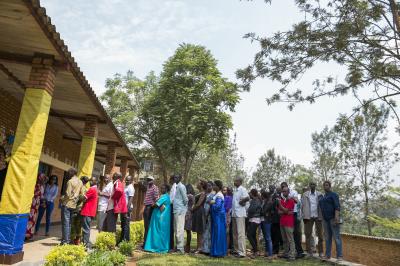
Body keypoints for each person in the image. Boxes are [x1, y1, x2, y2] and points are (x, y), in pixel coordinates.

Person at [144, 184, 172, 253]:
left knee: (158, 232)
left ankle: (157, 247)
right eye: (161, 188)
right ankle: (158, 247)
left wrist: (152, 204)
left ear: (166, 190)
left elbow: (156, 204)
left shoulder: (165, 196)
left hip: (161, 217)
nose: (161, 190)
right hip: (161, 217)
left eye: (163, 188)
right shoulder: (166, 196)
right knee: (160, 232)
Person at [319, 180, 343, 261]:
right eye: (324, 185)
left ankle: (339, 256)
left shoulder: (334, 195)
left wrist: (336, 218)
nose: (325, 186)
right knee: (327, 238)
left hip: (333, 218)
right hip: (325, 220)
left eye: (327, 185)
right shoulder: (323, 196)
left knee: (337, 238)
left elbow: (337, 206)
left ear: (330, 186)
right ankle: (327, 255)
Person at [281, 182, 304, 258]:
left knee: (296, 234)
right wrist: (284, 210)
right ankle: (288, 252)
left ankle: (298, 252)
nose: (283, 190)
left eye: (285, 188)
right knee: (286, 237)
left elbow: (298, 202)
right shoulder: (282, 196)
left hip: (294, 214)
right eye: (282, 188)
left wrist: (291, 198)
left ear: (288, 188)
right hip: (285, 216)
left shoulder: (294, 193)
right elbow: (281, 209)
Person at [61, 168, 83, 245]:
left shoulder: (70, 181)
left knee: (65, 223)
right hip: (74, 205)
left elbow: (68, 193)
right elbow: (81, 193)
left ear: (71, 173)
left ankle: (65, 241)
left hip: (67, 204)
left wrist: (62, 198)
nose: (67, 174)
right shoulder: (80, 182)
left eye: (68, 172)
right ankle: (68, 239)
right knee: (69, 223)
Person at [301, 181, 324, 257]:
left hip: (318, 216)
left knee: (320, 235)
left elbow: (323, 206)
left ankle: (321, 252)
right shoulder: (305, 195)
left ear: (316, 185)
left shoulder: (320, 194)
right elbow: (302, 206)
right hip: (308, 216)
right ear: (309, 186)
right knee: (308, 234)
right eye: (311, 184)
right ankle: (309, 252)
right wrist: (303, 216)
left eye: (314, 184)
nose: (312, 185)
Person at [231, 177, 249, 258]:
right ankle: (236, 250)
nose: (234, 182)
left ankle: (242, 252)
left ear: (240, 182)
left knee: (240, 233)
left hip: (240, 214)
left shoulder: (243, 189)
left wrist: (241, 202)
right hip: (234, 214)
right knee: (234, 233)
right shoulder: (235, 190)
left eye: (236, 180)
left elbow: (247, 197)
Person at [25, 173, 47, 240]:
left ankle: (29, 234)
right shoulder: (34, 185)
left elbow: (42, 195)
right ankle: (25, 234)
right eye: (42, 179)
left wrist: (43, 201)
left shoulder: (42, 186)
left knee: (33, 219)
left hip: (36, 205)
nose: (43, 180)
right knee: (29, 219)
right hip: (31, 204)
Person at [210, 180, 227, 257]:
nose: (213, 186)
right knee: (217, 233)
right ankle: (216, 251)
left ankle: (218, 252)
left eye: (214, 185)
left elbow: (218, 206)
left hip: (218, 217)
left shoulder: (219, 195)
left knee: (218, 233)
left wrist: (212, 203)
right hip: (217, 217)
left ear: (217, 186)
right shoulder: (217, 194)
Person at [278, 186, 296, 261]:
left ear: (288, 192)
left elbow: (284, 210)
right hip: (282, 222)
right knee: (284, 239)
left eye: (285, 191)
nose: (284, 192)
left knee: (290, 239)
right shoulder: (283, 201)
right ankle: (286, 253)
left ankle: (292, 255)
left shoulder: (291, 200)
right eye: (283, 191)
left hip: (289, 222)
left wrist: (280, 205)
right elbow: (279, 212)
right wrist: (286, 211)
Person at [71, 176, 89, 245]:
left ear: (82, 181)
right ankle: (77, 239)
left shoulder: (81, 188)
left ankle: (72, 239)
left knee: (73, 224)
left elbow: (80, 198)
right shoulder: (86, 189)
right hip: (81, 209)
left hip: (77, 208)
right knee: (78, 225)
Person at [81, 176, 98, 248]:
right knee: (86, 228)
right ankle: (85, 243)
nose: (90, 182)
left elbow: (83, 198)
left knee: (86, 228)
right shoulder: (95, 189)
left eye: (92, 181)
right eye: (90, 180)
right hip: (90, 211)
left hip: (87, 211)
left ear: (96, 182)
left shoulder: (92, 189)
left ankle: (85, 245)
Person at [172, 174, 188, 253]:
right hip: (176, 209)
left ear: (180, 178)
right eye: (174, 177)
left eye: (176, 177)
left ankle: (180, 248)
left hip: (180, 210)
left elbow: (185, 199)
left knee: (179, 229)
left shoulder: (181, 187)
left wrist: (182, 209)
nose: (175, 178)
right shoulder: (176, 186)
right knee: (176, 228)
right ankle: (178, 246)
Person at [112, 172, 129, 243]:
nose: (112, 175)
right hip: (122, 206)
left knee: (123, 224)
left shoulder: (118, 182)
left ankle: (123, 240)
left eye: (114, 174)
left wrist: (112, 197)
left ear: (116, 176)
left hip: (121, 206)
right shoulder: (119, 182)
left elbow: (119, 191)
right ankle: (122, 240)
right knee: (123, 224)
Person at [191, 180, 207, 253]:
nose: (197, 184)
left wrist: (192, 209)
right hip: (196, 212)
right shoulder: (198, 193)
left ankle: (200, 248)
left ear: (202, 185)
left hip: (200, 211)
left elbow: (199, 204)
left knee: (200, 231)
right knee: (197, 230)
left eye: (198, 183)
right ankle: (198, 247)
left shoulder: (203, 193)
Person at [143, 176, 159, 246]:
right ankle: (145, 242)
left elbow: (156, 199)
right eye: (147, 179)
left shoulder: (154, 188)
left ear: (153, 180)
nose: (148, 181)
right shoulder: (148, 187)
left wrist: (153, 206)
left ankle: (147, 243)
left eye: (150, 180)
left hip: (150, 207)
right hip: (146, 207)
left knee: (148, 225)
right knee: (146, 226)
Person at [247, 188, 262, 258]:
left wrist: (248, 210)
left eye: (250, 193)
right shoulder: (256, 200)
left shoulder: (255, 200)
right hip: (254, 219)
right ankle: (256, 250)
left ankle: (256, 251)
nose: (249, 194)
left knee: (249, 235)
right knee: (252, 235)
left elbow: (252, 210)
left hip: (255, 219)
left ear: (252, 194)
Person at [202, 181, 215, 255]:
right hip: (205, 214)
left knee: (209, 232)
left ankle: (208, 250)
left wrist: (207, 215)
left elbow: (211, 205)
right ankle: (205, 248)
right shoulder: (206, 194)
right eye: (207, 186)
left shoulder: (213, 195)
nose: (208, 187)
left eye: (210, 186)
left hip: (209, 215)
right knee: (205, 232)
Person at [270, 185, 282, 254]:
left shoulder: (281, 197)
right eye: (277, 190)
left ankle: (276, 249)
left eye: (279, 190)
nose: (278, 191)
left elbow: (277, 205)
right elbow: (272, 205)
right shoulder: (274, 196)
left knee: (277, 234)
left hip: (278, 219)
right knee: (273, 234)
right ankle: (274, 248)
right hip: (273, 218)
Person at [261, 191, 274, 258]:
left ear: (263, 195)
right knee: (265, 237)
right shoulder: (264, 202)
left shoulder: (269, 202)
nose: (260, 196)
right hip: (263, 220)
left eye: (261, 194)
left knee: (268, 237)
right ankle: (267, 252)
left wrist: (261, 212)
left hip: (267, 221)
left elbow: (263, 211)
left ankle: (270, 254)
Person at [184, 184, 195, 252]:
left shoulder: (189, 196)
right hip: (190, 213)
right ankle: (187, 245)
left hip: (187, 213)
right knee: (188, 231)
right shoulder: (193, 196)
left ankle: (187, 246)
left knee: (187, 230)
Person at [223, 187, 233, 253]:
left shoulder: (229, 198)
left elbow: (228, 208)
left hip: (227, 215)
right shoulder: (222, 197)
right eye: (223, 190)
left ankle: (226, 248)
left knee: (227, 232)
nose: (224, 191)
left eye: (225, 190)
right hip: (222, 215)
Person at [169, 175, 176, 251]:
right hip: (171, 206)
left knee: (171, 226)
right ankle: (170, 244)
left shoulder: (174, 187)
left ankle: (171, 245)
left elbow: (172, 200)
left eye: (170, 179)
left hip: (172, 207)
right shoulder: (173, 187)